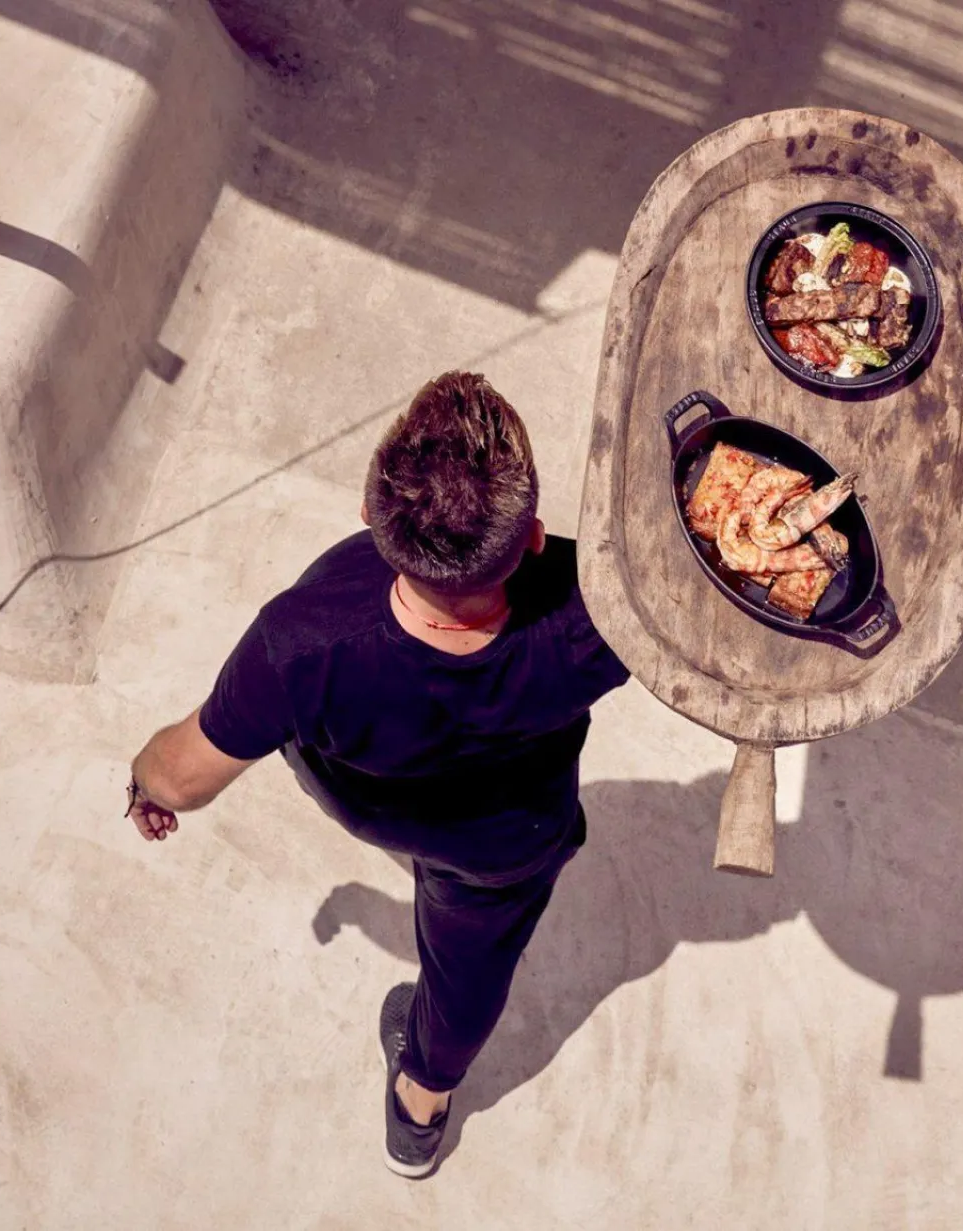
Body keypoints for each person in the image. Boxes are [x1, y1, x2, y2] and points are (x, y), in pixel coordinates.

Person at [122, 371, 629, 1177]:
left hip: (370, 802)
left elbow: (181, 777)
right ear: (532, 536)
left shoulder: (299, 644)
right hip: (509, 838)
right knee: (471, 962)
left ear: (371, 520)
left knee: (428, 861)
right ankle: (420, 1108)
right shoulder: (602, 604)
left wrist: (145, 781)